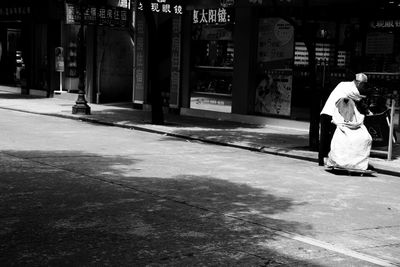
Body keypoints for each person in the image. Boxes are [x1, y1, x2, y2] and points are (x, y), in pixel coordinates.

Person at [318, 73, 369, 166]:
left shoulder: (342, 84)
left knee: (324, 138)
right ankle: (333, 160)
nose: (363, 88)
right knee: (334, 139)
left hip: (325, 112)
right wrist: (368, 111)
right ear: (359, 83)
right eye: (363, 85)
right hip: (332, 115)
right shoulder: (353, 90)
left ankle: (322, 160)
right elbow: (359, 102)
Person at [326, 97, 372, 170]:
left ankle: (347, 162)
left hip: (347, 126)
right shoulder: (352, 104)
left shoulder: (346, 106)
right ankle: (358, 164)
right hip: (349, 127)